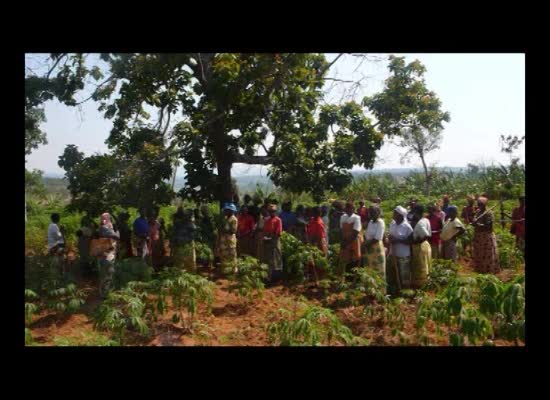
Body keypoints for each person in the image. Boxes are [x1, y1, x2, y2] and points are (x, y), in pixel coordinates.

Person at [387, 206, 414, 296]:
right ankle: (395, 292)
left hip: (403, 254)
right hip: (393, 253)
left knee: (404, 275)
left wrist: (397, 240)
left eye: (395, 213)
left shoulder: (407, 227)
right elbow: (390, 236)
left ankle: (405, 293)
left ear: (401, 215)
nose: (393, 215)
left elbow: (410, 241)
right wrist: (390, 239)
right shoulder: (392, 224)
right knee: (393, 273)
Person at [472, 197, 500, 274]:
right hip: (478, 237)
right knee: (479, 255)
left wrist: (477, 224)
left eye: (481, 204)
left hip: (486, 237)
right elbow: (474, 220)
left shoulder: (488, 213)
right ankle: (480, 272)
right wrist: (474, 222)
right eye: (478, 204)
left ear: (485, 204)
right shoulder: (478, 211)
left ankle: (489, 272)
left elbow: (488, 226)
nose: (479, 205)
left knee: (487, 256)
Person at [97, 212, 120, 299]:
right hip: (108, 256)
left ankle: (103, 293)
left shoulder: (103, 227)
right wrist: (117, 230)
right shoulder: (105, 228)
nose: (103, 220)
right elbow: (117, 237)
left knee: (104, 274)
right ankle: (105, 295)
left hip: (104, 255)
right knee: (108, 274)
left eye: (104, 218)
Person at [338, 202, 362, 277]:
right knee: (345, 259)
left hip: (353, 240)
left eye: (350, 208)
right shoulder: (343, 217)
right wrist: (343, 241)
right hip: (345, 241)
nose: (348, 210)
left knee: (354, 259)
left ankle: (354, 278)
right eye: (347, 208)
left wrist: (347, 243)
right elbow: (341, 230)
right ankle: (345, 277)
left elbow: (355, 232)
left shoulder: (356, 217)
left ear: (353, 209)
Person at [410, 205, 432, 289]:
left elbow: (426, 235)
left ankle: (420, 286)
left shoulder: (420, 223)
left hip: (420, 246)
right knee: (425, 265)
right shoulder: (425, 220)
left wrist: (417, 241)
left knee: (421, 266)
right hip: (425, 245)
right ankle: (426, 284)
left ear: (416, 212)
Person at [262, 204, 283, 284]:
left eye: (273, 211)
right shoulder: (267, 220)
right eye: (270, 211)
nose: (271, 213)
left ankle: (277, 279)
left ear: (275, 211)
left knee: (276, 259)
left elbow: (278, 234)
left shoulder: (278, 220)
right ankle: (269, 278)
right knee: (268, 260)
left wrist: (269, 238)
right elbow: (265, 231)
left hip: (275, 242)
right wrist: (265, 238)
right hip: (267, 242)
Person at [364, 205, 386, 280]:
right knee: (369, 269)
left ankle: (380, 290)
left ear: (377, 212)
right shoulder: (370, 222)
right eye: (370, 212)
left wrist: (366, 244)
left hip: (376, 248)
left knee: (378, 269)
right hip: (368, 247)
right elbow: (367, 234)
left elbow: (377, 238)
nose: (371, 214)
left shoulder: (380, 222)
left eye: (373, 212)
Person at [217, 203, 238, 269]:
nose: (225, 211)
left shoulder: (234, 219)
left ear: (231, 211)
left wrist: (223, 230)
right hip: (224, 240)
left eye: (226, 210)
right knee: (224, 255)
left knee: (231, 256)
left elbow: (233, 231)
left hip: (230, 241)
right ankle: (225, 270)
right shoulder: (225, 218)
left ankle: (233, 272)